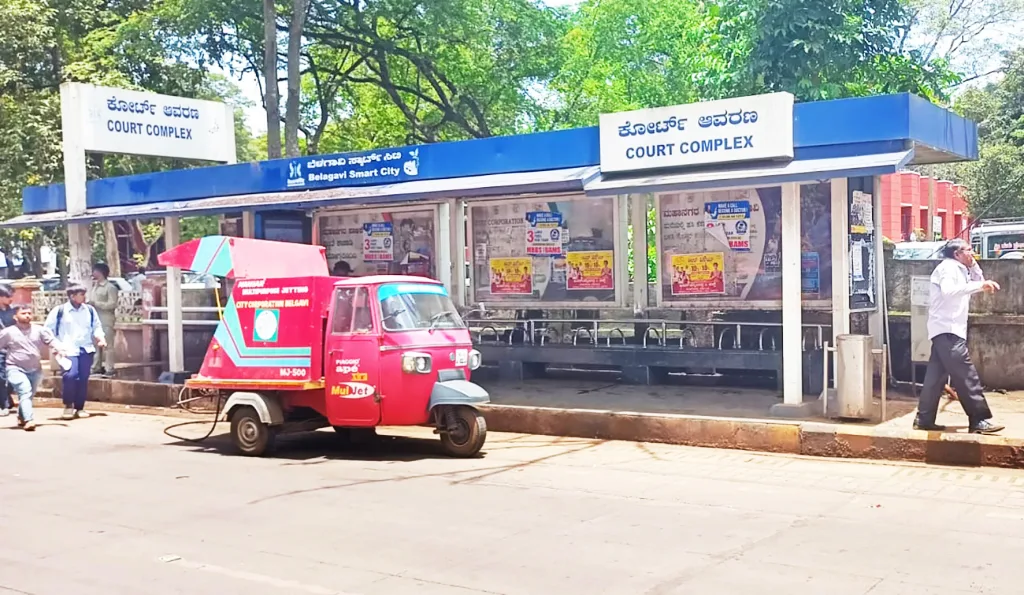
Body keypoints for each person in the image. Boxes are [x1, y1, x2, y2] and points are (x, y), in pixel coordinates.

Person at [915, 239, 1004, 434]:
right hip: (948, 330)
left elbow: (978, 279)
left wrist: (975, 269)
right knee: (965, 374)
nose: (972, 252)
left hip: (947, 330)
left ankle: (924, 418)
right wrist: (981, 286)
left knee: (935, 377)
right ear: (956, 254)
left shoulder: (959, 268)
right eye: (968, 250)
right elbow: (949, 292)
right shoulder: (948, 268)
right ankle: (978, 419)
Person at [0, 305, 68, 431]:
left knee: (28, 396)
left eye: (29, 313)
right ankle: (29, 420)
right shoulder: (8, 332)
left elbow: (52, 341)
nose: (27, 316)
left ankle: (22, 416)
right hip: (15, 368)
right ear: (15, 317)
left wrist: (60, 349)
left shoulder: (40, 330)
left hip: (35, 369)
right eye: (23, 313)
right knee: (24, 390)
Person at [45, 285, 106, 421]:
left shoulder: (89, 310)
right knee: (70, 376)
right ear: (72, 296)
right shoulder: (60, 311)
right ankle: (68, 405)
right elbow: (48, 330)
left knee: (83, 379)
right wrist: (56, 345)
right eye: (81, 294)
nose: (84, 297)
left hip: (86, 348)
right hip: (67, 350)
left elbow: (96, 326)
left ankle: (80, 407)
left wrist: (100, 338)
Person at [87, 262, 118, 376]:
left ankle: (109, 368)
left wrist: (97, 303)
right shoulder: (94, 287)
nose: (93, 273)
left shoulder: (110, 288)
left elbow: (113, 304)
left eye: (94, 271)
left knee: (108, 345)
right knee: (95, 344)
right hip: (95, 319)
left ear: (100, 272)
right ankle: (96, 367)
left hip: (106, 319)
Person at [0, 284, 14, 416]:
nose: (11, 299)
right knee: (1, 376)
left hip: (13, 348)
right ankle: (3, 404)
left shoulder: (13, 312)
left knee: (11, 377)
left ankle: (7, 397)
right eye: (8, 296)